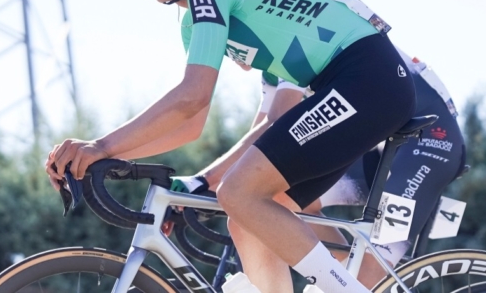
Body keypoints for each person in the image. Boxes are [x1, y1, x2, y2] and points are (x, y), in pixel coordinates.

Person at [45, 0, 417, 292]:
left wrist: (101, 147)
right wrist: (108, 157)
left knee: (238, 192)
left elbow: (192, 96)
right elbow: (190, 124)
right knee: (248, 217)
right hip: (351, 84)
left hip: (367, 76)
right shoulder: (192, 21)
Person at [174, 46, 466, 290]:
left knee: (366, 276)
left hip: (430, 143)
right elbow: (257, 146)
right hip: (381, 146)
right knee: (270, 200)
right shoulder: (271, 70)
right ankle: (341, 274)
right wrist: (212, 189)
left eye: (233, 47)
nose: (234, 57)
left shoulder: (289, 48)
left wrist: (203, 181)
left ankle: (356, 280)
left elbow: (275, 122)